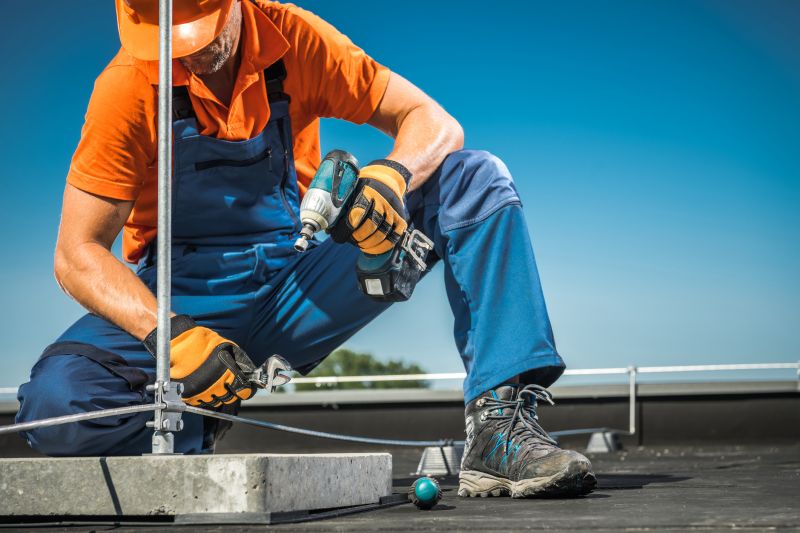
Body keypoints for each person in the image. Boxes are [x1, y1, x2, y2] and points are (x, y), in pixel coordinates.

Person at [16, 0, 595, 498]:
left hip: (296, 279)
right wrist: (166, 333)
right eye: (172, 42)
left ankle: (499, 430)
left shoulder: (295, 40)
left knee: (474, 179)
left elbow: (432, 121)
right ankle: (197, 418)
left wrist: (392, 178)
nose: (189, 55)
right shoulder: (125, 88)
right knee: (58, 409)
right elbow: (77, 254)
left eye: (205, 31)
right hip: (179, 295)